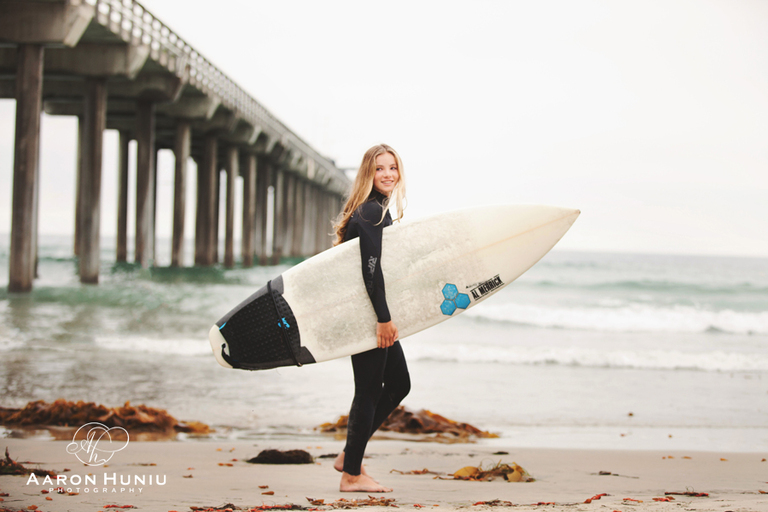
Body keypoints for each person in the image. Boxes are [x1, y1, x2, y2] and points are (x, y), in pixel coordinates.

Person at [331, 144, 411, 493]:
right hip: (367, 314)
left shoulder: (373, 211)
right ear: (369, 173)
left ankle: (350, 455)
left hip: (367, 310)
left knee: (398, 384)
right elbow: (371, 271)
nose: (389, 174)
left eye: (393, 167)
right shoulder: (372, 213)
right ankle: (351, 474)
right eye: (380, 169)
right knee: (368, 389)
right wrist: (383, 318)